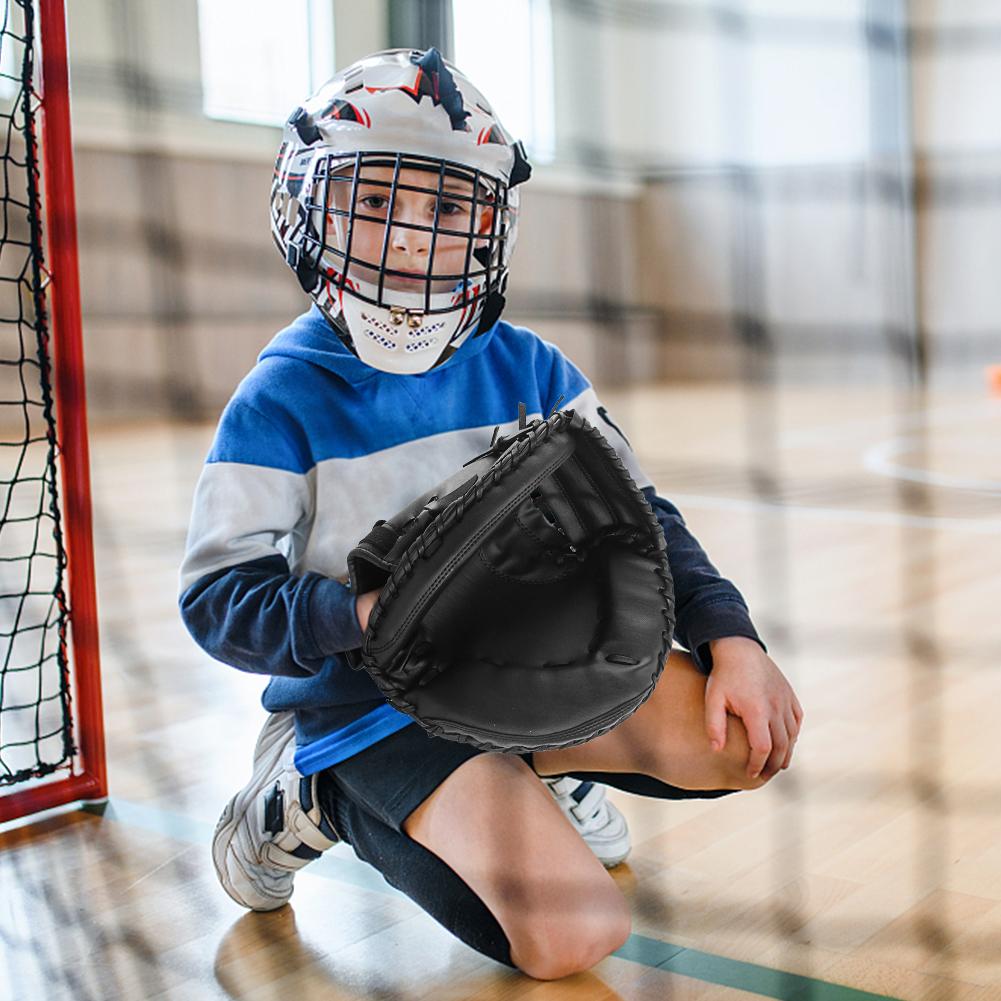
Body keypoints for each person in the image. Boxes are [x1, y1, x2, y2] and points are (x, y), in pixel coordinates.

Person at [179, 47, 803, 981]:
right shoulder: (280, 399)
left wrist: (733, 638)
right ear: (306, 205)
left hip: (519, 669)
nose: (409, 240)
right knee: (572, 937)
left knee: (745, 742)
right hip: (375, 710)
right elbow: (218, 600)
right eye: (377, 202)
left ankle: (535, 770)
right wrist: (358, 618)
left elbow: (642, 518)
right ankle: (306, 798)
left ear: (489, 225)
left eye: (444, 209)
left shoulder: (533, 370)